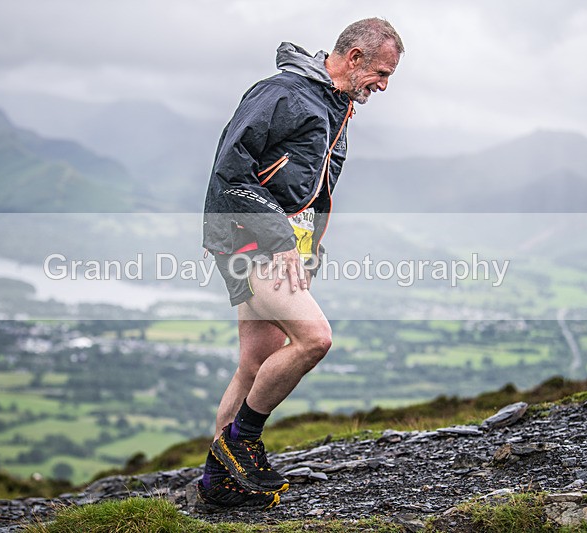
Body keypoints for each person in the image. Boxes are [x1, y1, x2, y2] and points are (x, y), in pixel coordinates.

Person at [198, 18, 403, 510]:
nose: (383, 85)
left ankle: (216, 484)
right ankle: (241, 441)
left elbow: (314, 196)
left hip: (283, 246)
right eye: (381, 72)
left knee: (255, 363)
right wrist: (277, 235)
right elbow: (229, 171)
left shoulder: (338, 108)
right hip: (248, 237)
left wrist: (309, 252)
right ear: (353, 58)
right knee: (315, 338)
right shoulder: (283, 94)